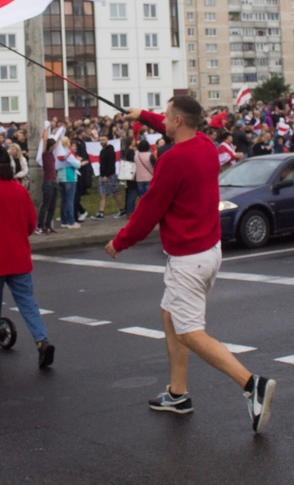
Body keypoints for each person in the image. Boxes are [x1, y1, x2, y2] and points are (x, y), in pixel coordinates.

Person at [105, 96, 277, 433]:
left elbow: (149, 210)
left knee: (190, 332)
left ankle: (251, 384)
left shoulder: (172, 161)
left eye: (167, 117)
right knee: (169, 315)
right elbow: (171, 126)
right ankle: (178, 394)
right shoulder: (205, 145)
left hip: (188, 260)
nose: (163, 121)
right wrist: (143, 114)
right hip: (208, 252)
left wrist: (120, 241)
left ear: (179, 122)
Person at [0, 143, 55, 368]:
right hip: (18, 256)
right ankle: (41, 341)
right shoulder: (19, 190)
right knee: (27, 303)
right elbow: (31, 224)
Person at [95, 135, 118, 219]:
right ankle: (101, 212)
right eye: (100, 140)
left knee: (115, 193)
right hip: (102, 175)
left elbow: (111, 164)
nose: (102, 142)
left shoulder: (110, 150)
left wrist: (106, 175)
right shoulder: (102, 151)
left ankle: (122, 209)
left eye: (103, 140)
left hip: (109, 175)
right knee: (102, 194)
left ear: (107, 140)